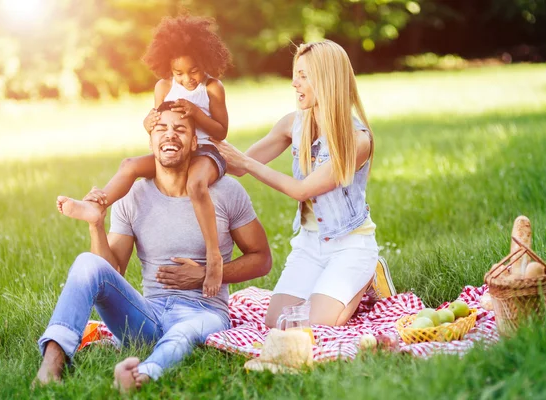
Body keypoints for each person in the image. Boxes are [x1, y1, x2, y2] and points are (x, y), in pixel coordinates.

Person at [36, 102, 272, 392]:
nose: (170, 135)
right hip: (147, 313)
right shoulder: (132, 195)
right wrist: (96, 225)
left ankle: (143, 374)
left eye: (180, 129)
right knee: (87, 263)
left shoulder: (225, 192)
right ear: (151, 140)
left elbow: (262, 258)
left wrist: (206, 273)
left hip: (203, 312)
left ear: (195, 142)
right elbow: (112, 272)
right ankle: (51, 367)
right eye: (162, 129)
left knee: (184, 331)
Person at [215, 40, 396, 328]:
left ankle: (367, 275)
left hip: (349, 245)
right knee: (277, 324)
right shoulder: (292, 124)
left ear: (327, 79)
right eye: (294, 74)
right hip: (309, 245)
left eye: (303, 75)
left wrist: (248, 164)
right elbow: (237, 166)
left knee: (314, 327)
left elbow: (302, 190)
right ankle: (334, 287)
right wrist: (199, 135)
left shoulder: (357, 140)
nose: (293, 83)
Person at [56, 15, 232, 298]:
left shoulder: (212, 88)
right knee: (129, 165)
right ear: (168, 68)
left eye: (194, 71)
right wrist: (148, 124)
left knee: (195, 185)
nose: (186, 79)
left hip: (206, 150)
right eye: (179, 73)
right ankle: (97, 205)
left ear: (206, 62)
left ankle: (214, 257)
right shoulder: (163, 87)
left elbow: (221, 131)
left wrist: (198, 114)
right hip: (175, 149)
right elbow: (159, 128)